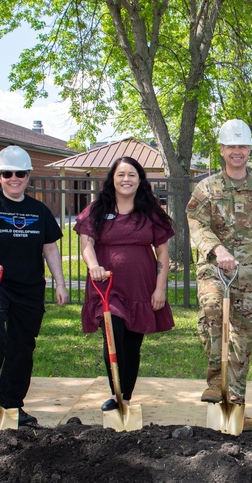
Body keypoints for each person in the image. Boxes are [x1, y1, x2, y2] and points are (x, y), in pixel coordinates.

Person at [186, 119, 252, 432]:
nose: (237, 152)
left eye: (242, 146)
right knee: (213, 311)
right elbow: (195, 224)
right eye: (231, 146)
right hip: (215, 269)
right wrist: (218, 250)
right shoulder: (206, 189)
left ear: (249, 150)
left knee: (243, 339)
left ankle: (236, 405)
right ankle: (216, 381)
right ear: (222, 150)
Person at [0, 145, 68, 426]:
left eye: (19, 173)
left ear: (28, 175)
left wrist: (60, 283)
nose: (14, 178)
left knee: (23, 344)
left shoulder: (38, 210)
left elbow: (50, 249)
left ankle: (12, 404)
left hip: (29, 287)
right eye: (7, 173)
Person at [75, 157, 175, 411]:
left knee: (132, 343)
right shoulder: (97, 210)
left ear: (140, 180)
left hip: (141, 287)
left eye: (132, 174)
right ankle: (115, 391)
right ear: (112, 179)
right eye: (121, 175)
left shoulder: (150, 212)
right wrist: (93, 265)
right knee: (113, 331)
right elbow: (86, 244)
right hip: (106, 286)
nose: (126, 179)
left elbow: (163, 253)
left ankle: (125, 396)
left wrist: (160, 288)